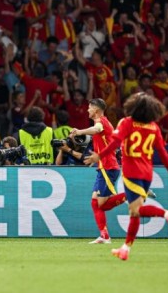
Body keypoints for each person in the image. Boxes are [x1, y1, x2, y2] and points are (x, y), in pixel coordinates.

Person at [85, 93, 168, 261]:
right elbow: (163, 153)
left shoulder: (127, 122)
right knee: (134, 213)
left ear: (132, 107)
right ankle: (125, 249)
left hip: (132, 172)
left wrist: (99, 156)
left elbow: (115, 143)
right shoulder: (154, 127)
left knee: (135, 210)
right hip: (147, 173)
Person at [67, 98, 121, 244]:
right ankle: (104, 236)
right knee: (95, 202)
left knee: (102, 203)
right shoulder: (103, 123)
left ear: (96, 110)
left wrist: (79, 131)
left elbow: (96, 129)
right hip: (103, 167)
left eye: (90, 107)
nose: (87, 110)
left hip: (109, 167)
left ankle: (135, 193)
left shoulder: (101, 122)